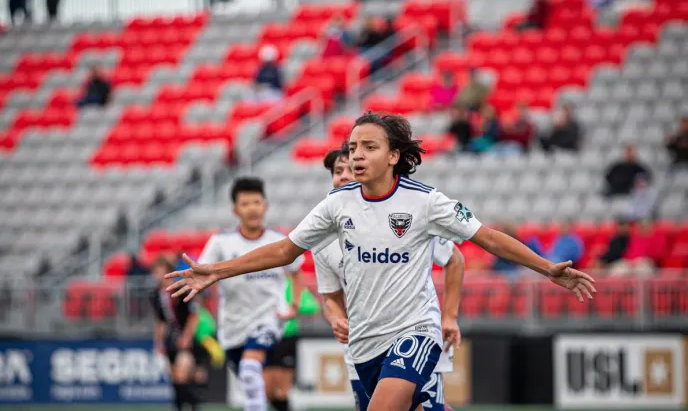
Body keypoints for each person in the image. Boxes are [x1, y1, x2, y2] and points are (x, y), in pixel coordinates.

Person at [167, 112, 596, 411]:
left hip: (416, 332)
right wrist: (216, 271)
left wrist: (547, 268)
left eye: (369, 147)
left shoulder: (427, 202)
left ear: (393, 156)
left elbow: (486, 238)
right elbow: (285, 251)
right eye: (353, 147)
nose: (356, 155)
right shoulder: (336, 205)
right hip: (365, 344)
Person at [314, 145, 464, 411]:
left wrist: (449, 315)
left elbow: (455, 259)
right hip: (363, 344)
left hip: (412, 332)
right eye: (338, 171)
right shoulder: (322, 234)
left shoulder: (401, 215)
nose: (344, 176)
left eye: (351, 169)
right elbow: (331, 297)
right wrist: (336, 317)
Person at [196, 177, 304, 411]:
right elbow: (203, 273)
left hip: (269, 320)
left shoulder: (279, 242)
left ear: (265, 205)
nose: (252, 208)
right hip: (233, 327)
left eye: (257, 202)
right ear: (235, 209)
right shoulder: (220, 242)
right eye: (245, 204)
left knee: (252, 370)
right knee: (261, 388)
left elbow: (296, 272)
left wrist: (293, 305)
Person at [150, 257, 205, 411]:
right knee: (174, 377)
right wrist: (158, 343)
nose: (157, 276)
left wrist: (187, 338)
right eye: (155, 272)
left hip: (185, 338)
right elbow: (160, 321)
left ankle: (194, 406)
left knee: (183, 375)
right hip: (170, 339)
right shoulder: (156, 295)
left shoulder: (182, 290)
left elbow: (194, 316)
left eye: (160, 272)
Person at [264, 273, 320, 411]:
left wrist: (291, 308)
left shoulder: (291, 284)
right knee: (267, 391)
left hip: (286, 338)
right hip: (265, 338)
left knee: (282, 390)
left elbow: (312, 307)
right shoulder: (264, 281)